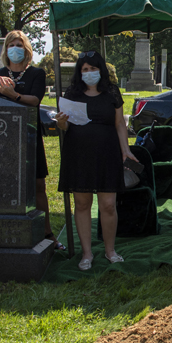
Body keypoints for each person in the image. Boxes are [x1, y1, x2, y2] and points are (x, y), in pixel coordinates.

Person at [55, 51, 137, 269]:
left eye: (93, 68)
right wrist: (61, 123)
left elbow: (120, 123)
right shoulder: (72, 92)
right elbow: (65, 126)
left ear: (101, 70)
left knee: (108, 205)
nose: (89, 73)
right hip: (78, 153)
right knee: (82, 204)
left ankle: (110, 251)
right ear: (79, 72)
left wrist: (125, 150)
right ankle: (87, 254)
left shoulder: (112, 92)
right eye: (84, 69)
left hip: (107, 152)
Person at [0, 31, 62, 248]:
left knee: (38, 185)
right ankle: (9, 231)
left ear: (26, 49)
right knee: (6, 184)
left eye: (19, 44)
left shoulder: (36, 73)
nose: (15, 48)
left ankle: (47, 234)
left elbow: (35, 100)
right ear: (5, 49)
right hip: (4, 136)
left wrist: (13, 95)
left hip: (30, 134)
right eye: (11, 44)